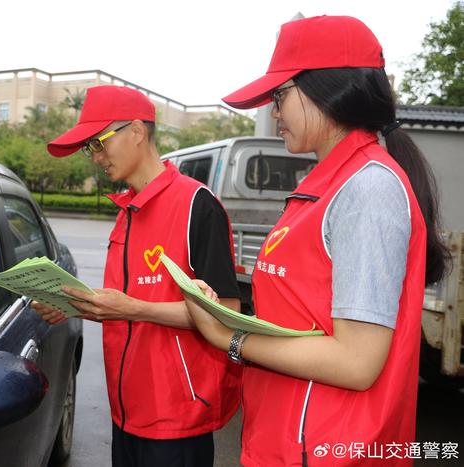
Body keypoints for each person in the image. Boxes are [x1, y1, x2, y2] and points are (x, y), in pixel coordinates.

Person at [185, 16, 450, 466]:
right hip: (292, 442)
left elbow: (356, 361)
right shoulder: (330, 183)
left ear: (327, 89)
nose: (274, 112)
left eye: (280, 95)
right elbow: (303, 313)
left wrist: (228, 337)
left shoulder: (368, 188)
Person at [34, 85, 242, 467]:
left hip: (176, 417)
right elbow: (124, 302)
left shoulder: (197, 204)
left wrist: (132, 308)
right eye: (89, 148)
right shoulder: (126, 211)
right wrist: (75, 305)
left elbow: (226, 314)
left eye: (99, 143)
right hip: (125, 409)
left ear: (136, 131)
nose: (95, 157)